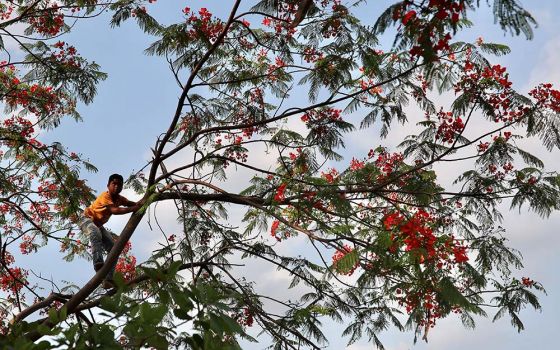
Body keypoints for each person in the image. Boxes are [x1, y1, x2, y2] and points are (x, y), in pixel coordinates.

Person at [79, 174, 142, 289]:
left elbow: (130, 203)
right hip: (86, 219)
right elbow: (115, 210)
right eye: (114, 184)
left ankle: (108, 279)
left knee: (114, 248)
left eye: (119, 185)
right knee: (95, 233)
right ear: (108, 185)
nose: (117, 186)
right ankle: (98, 263)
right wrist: (133, 209)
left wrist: (140, 204)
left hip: (98, 225)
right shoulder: (105, 196)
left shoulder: (119, 199)